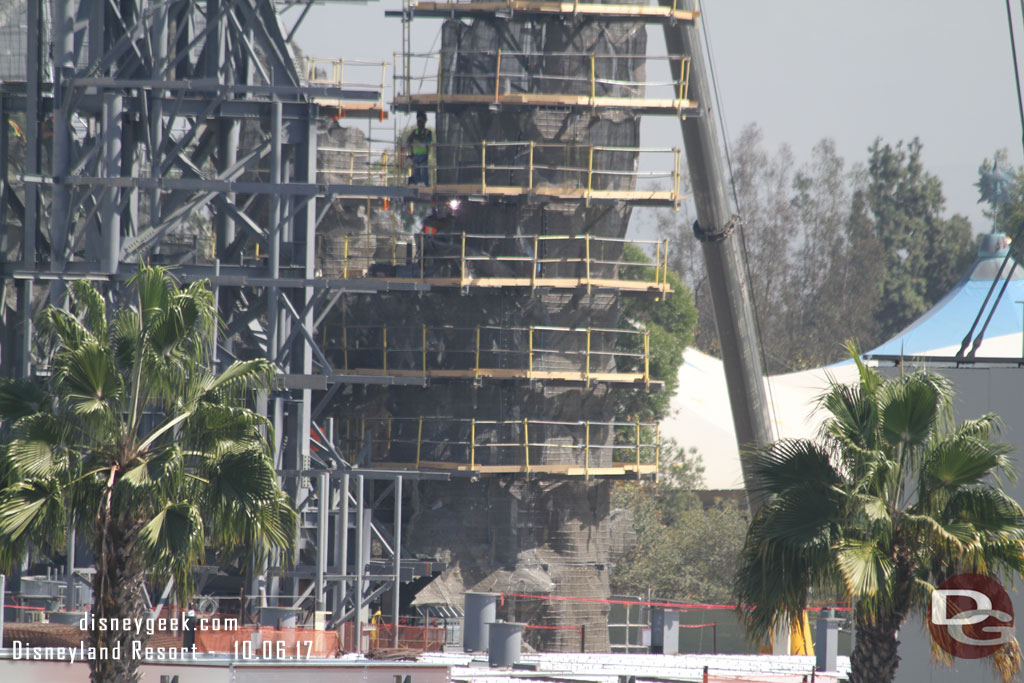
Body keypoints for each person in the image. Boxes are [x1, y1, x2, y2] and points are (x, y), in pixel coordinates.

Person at [407, 111, 432, 186]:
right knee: (415, 175)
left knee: (424, 175)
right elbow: (409, 140)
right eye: (418, 121)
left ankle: (425, 187)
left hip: (423, 156)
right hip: (415, 157)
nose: (419, 123)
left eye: (421, 121)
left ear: (424, 122)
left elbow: (423, 139)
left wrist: (415, 136)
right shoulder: (414, 132)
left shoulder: (427, 132)